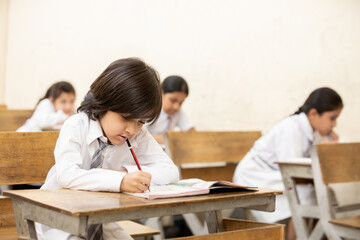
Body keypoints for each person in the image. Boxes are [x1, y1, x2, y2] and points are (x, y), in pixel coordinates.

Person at [35, 58, 180, 240]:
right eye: (125, 117)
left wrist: (125, 174)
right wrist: (119, 180)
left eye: (141, 122)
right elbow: (67, 175)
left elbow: (170, 171)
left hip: (100, 219)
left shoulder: (138, 135)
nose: (132, 129)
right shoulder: (76, 125)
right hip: (56, 217)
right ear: (105, 102)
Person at [233, 87, 343, 239]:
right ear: (313, 114)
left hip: (275, 176)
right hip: (256, 176)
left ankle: (325, 235)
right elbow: (291, 170)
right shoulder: (292, 128)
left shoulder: (314, 131)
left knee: (326, 193)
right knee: (303, 194)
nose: (335, 124)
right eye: (332, 118)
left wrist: (328, 148)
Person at [146, 75, 195, 144]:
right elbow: (139, 136)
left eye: (181, 103)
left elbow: (192, 133)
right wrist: (172, 139)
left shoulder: (177, 112)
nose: (177, 107)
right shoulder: (149, 109)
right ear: (161, 92)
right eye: (173, 100)